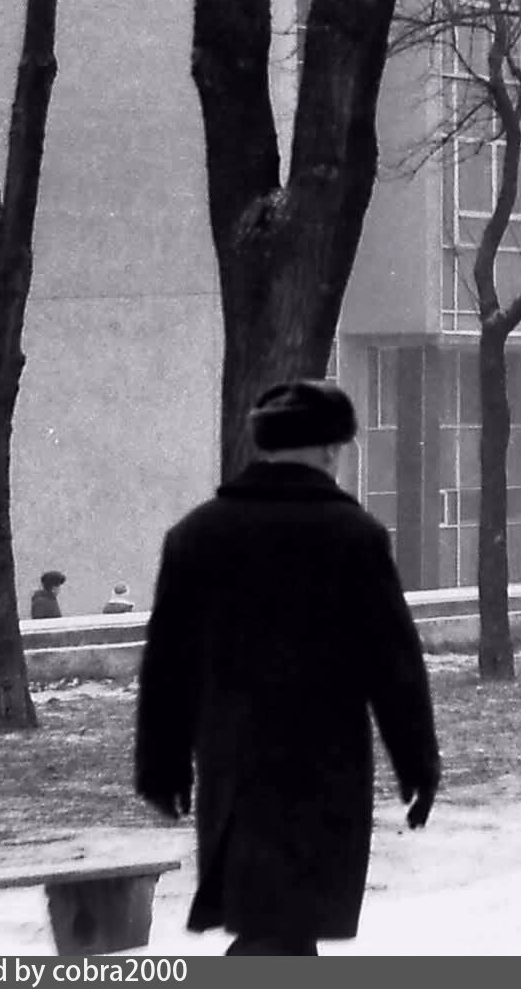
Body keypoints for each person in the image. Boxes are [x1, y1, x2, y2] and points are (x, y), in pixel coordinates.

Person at [134, 379, 440, 957]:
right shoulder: (355, 538)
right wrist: (417, 763)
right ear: (329, 450)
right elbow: (393, 666)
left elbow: (168, 667)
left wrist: (161, 765)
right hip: (324, 772)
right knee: (284, 928)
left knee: (272, 924)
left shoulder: (196, 536)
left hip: (234, 767)